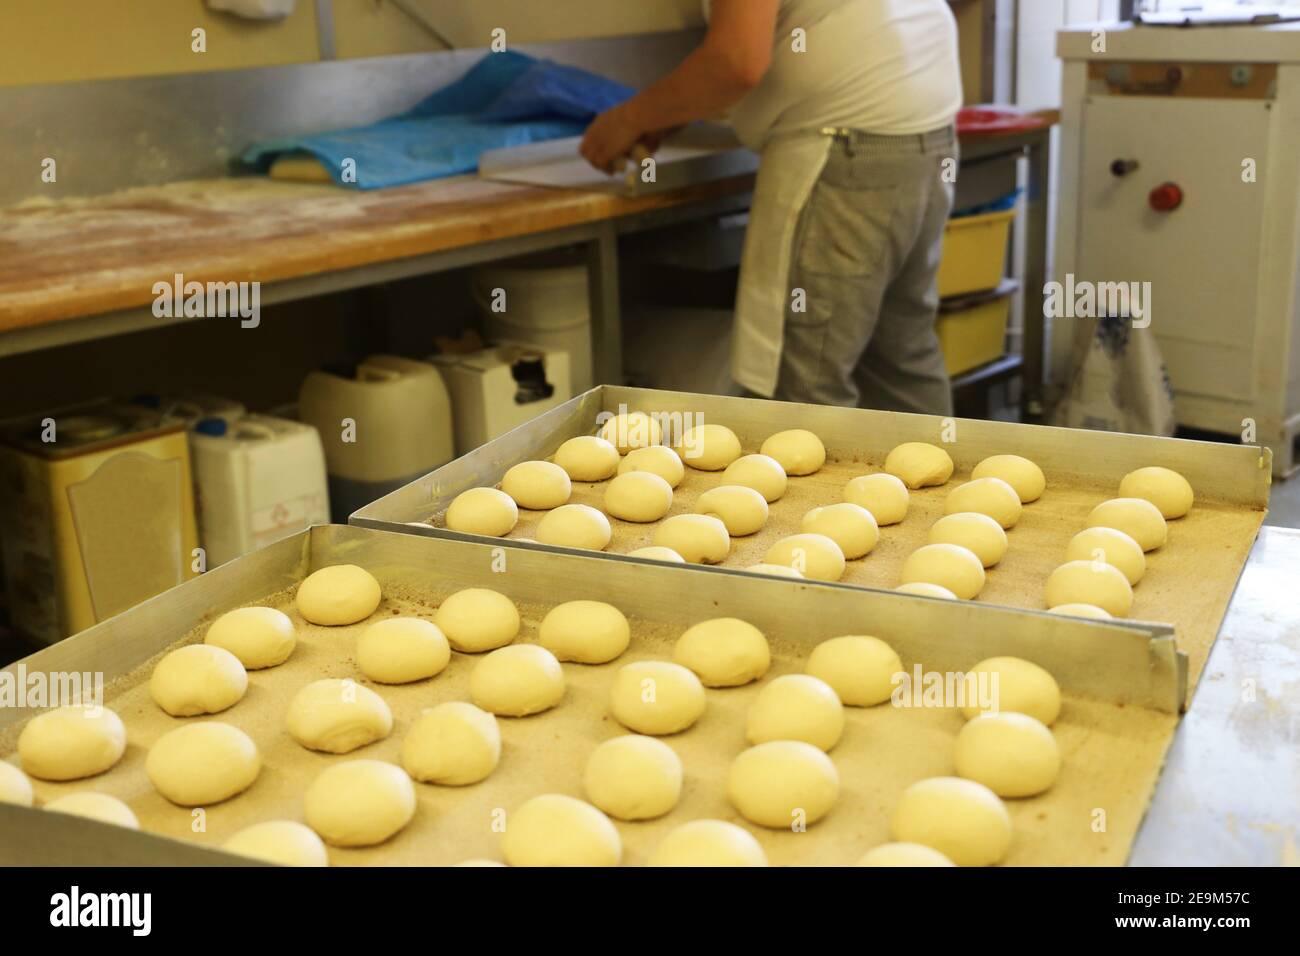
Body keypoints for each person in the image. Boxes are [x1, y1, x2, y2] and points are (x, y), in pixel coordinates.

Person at [580, 0, 962, 414]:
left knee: (805, 386)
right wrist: (672, 111)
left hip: (844, 150)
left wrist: (627, 119)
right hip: (924, 137)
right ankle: (935, 475)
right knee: (900, 359)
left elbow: (736, 62)